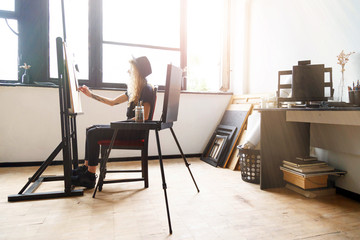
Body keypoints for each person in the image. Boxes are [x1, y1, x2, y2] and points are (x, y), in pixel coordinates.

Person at [71, 56, 155, 188]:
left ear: (139, 71)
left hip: (134, 132)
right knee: (90, 129)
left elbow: (144, 117)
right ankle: (86, 169)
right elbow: (112, 102)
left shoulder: (147, 89)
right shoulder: (134, 90)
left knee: (94, 133)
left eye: (131, 69)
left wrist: (121, 123)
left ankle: (90, 177)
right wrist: (90, 94)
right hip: (127, 128)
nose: (128, 71)